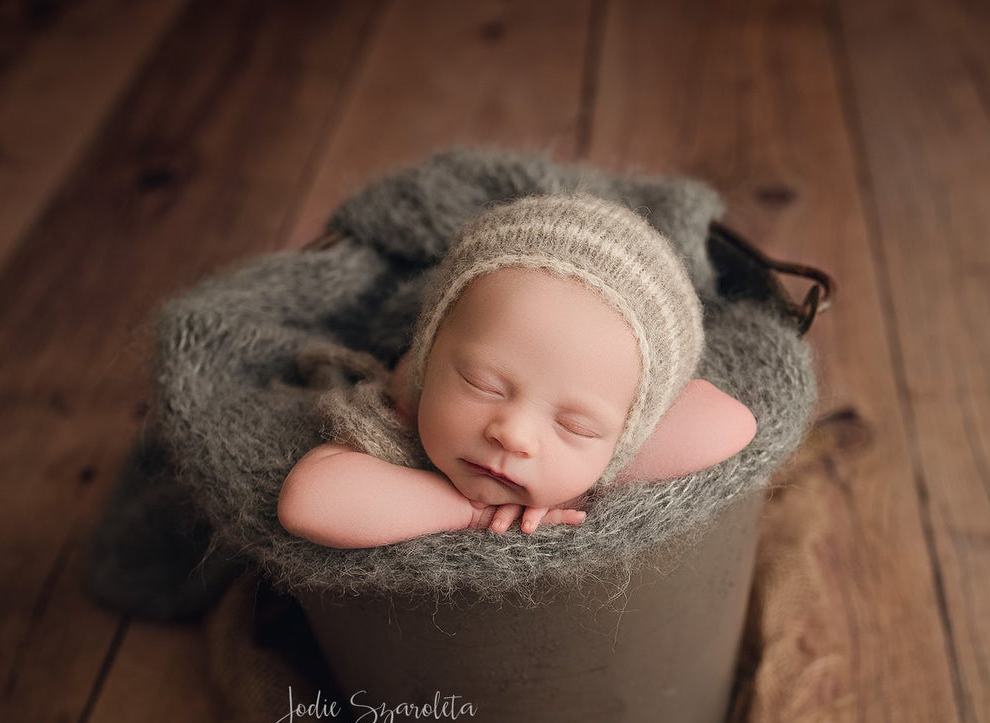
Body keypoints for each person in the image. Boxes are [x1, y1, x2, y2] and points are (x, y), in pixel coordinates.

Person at [277, 193, 756, 549]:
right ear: (429, 354)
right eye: (482, 385)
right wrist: (467, 510)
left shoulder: (606, 447)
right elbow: (309, 502)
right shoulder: (407, 401)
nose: (513, 435)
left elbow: (731, 421)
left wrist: (595, 469)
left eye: (575, 425)